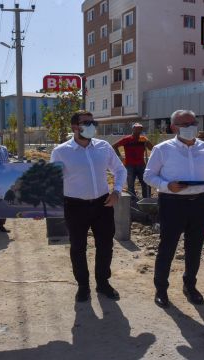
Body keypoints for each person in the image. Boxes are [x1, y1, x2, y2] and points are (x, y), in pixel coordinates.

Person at [144, 110, 204, 308]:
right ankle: (161, 288)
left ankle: (190, 286)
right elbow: (149, 176)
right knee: (167, 247)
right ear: (173, 127)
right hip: (172, 202)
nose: (190, 127)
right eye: (184, 124)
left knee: (194, 248)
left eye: (193, 122)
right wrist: (168, 185)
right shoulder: (162, 149)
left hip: (199, 202)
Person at [51, 110, 127, 302]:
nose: (92, 125)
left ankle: (103, 283)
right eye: (86, 122)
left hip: (103, 205)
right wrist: (43, 205)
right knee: (78, 247)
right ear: (74, 127)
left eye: (93, 122)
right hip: (75, 206)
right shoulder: (61, 151)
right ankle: (83, 286)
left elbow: (119, 170)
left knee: (105, 245)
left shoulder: (103, 147)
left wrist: (117, 191)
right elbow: (52, 182)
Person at [112, 123, 153, 199]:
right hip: (129, 165)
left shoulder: (143, 139)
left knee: (146, 183)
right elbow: (114, 146)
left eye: (140, 128)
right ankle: (133, 200)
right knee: (130, 185)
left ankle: (146, 199)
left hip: (141, 165)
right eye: (136, 128)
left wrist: (147, 141)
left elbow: (152, 148)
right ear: (133, 129)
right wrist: (120, 157)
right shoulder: (127, 139)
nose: (138, 130)